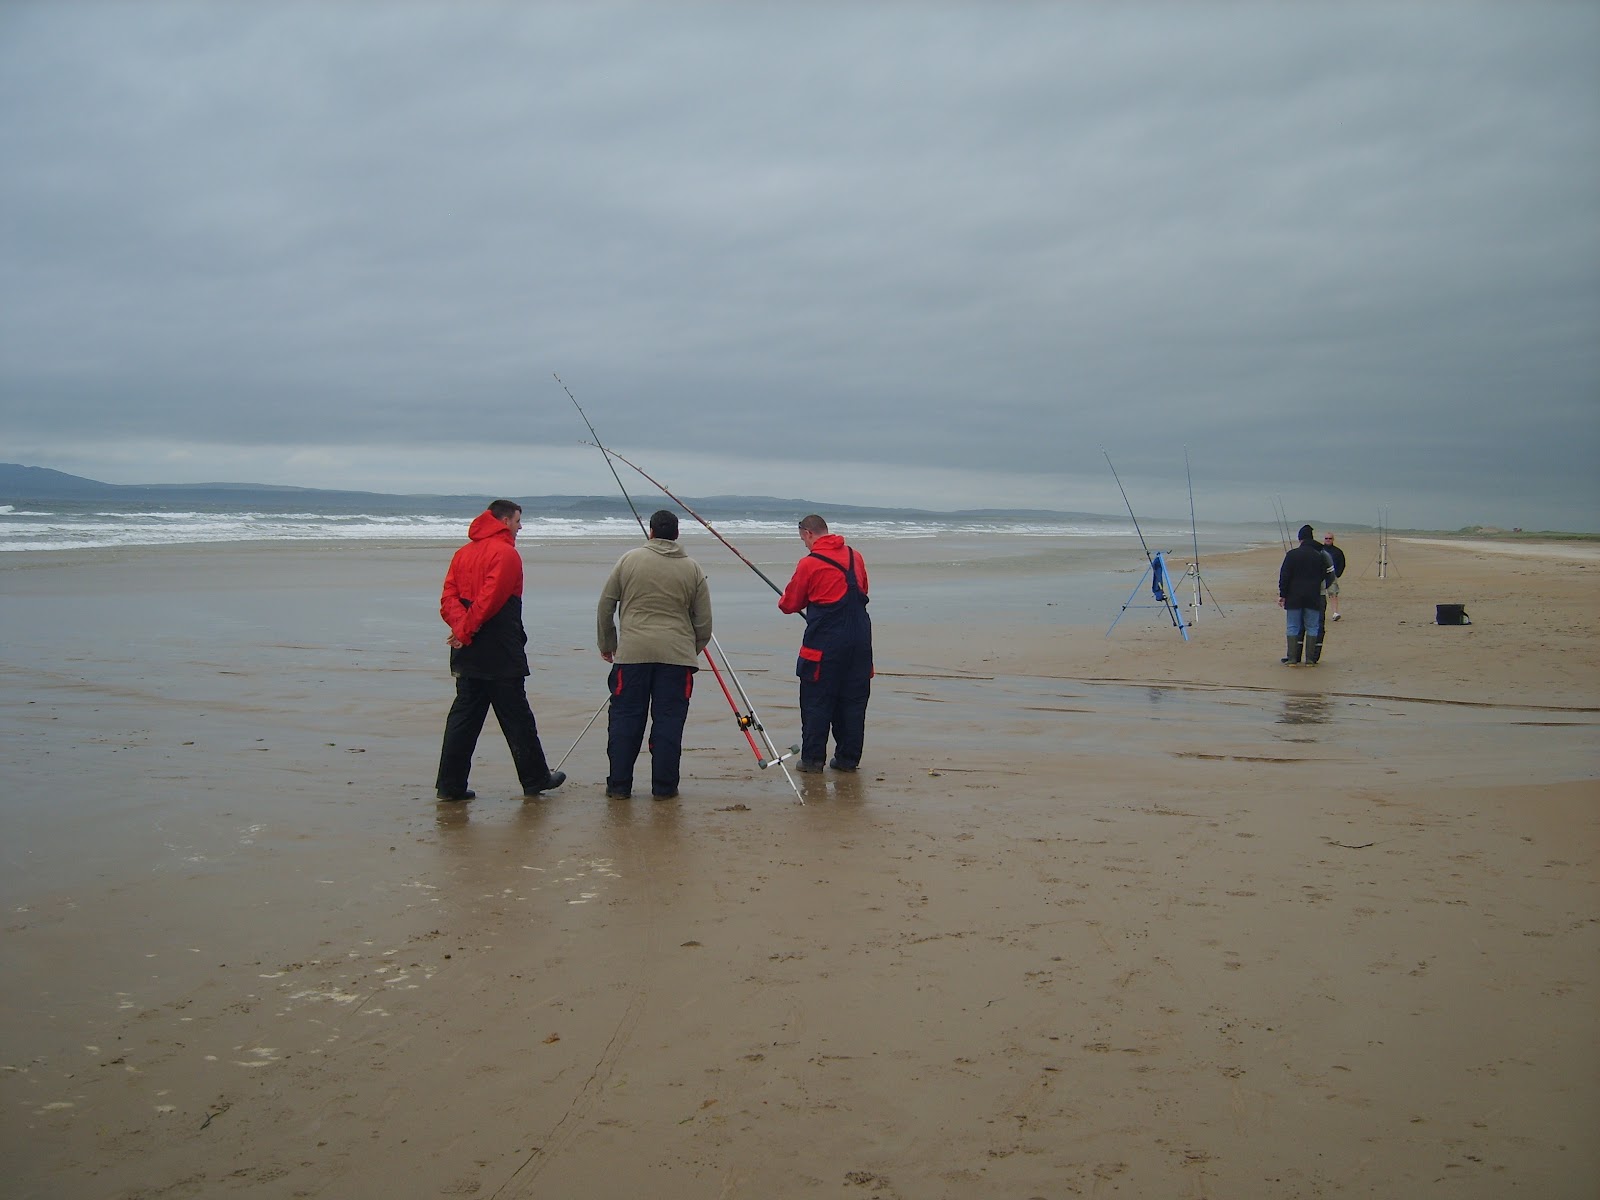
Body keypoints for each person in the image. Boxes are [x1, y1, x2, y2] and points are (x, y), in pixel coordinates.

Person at [435, 500, 565, 801]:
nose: (520, 527)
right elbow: (490, 600)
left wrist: (461, 629)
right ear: (505, 520)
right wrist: (465, 630)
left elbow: (449, 599)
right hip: (497, 647)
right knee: (515, 716)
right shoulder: (506, 553)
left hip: (468, 646)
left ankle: (450, 784)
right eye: (518, 521)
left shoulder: (463, 553)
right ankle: (535, 778)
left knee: (464, 717)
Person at [596, 509, 713, 800]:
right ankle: (664, 788)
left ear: (650, 532)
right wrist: (690, 650)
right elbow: (704, 623)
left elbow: (605, 605)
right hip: (676, 659)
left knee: (625, 721)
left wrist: (607, 644)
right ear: (677, 534)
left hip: (633, 655)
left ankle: (619, 786)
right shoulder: (693, 568)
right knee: (669, 722)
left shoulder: (629, 560)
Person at [779, 514, 873, 772]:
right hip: (860, 642)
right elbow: (863, 589)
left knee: (816, 701)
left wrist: (789, 599)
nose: (804, 544)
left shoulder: (809, 564)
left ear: (808, 533)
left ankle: (812, 760)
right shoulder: (856, 557)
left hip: (825, 645)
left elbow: (789, 604)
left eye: (803, 539)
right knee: (853, 702)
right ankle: (847, 760)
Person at [1278, 523, 1330, 666]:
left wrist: (1283, 594)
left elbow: (1285, 576)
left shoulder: (1292, 555)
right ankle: (1310, 660)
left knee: (1293, 626)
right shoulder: (1318, 555)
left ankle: (1293, 659)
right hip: (1313, 596)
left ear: (1300, 539)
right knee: (1312, 627)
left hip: (1294, 596)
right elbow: (1323, 575)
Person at [1322, 532, 1346, 620]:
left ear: (1333, 539)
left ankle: (1335, 613)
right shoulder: (1319, 550)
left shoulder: (1337, 551)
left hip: (1332, 576)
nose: (1328, 540)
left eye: (1330, 538)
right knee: (1319, 595)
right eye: (1326, 538)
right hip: (1320, 576)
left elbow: (1342, 563)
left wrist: (1337, 574)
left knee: (1333, 594)